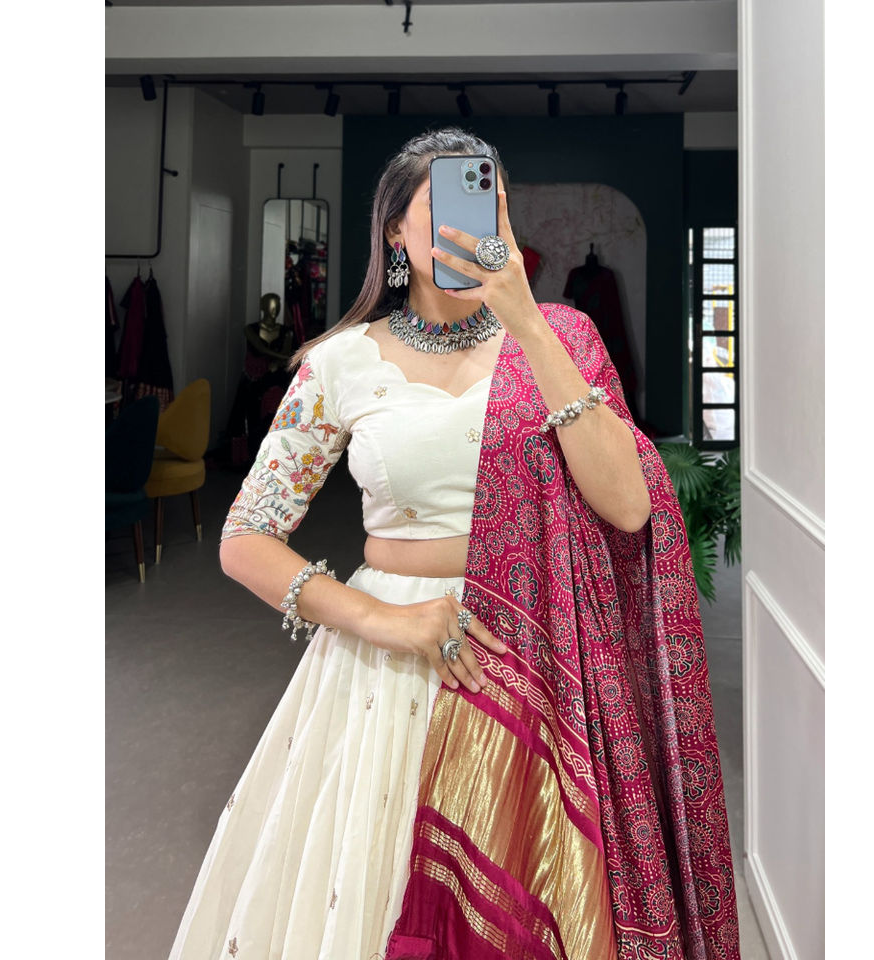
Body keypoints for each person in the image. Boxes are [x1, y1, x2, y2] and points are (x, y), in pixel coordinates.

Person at [166, 127, 741, 960]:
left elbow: (626, 506)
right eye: (442, 205)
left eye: (488, 202)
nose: (469, 224)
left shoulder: (561, 338)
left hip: (545, 648)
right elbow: (245, 537)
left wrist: (526, 322)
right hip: (393, 665)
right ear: (396, 232)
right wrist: (381, 620)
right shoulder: (340, 363)